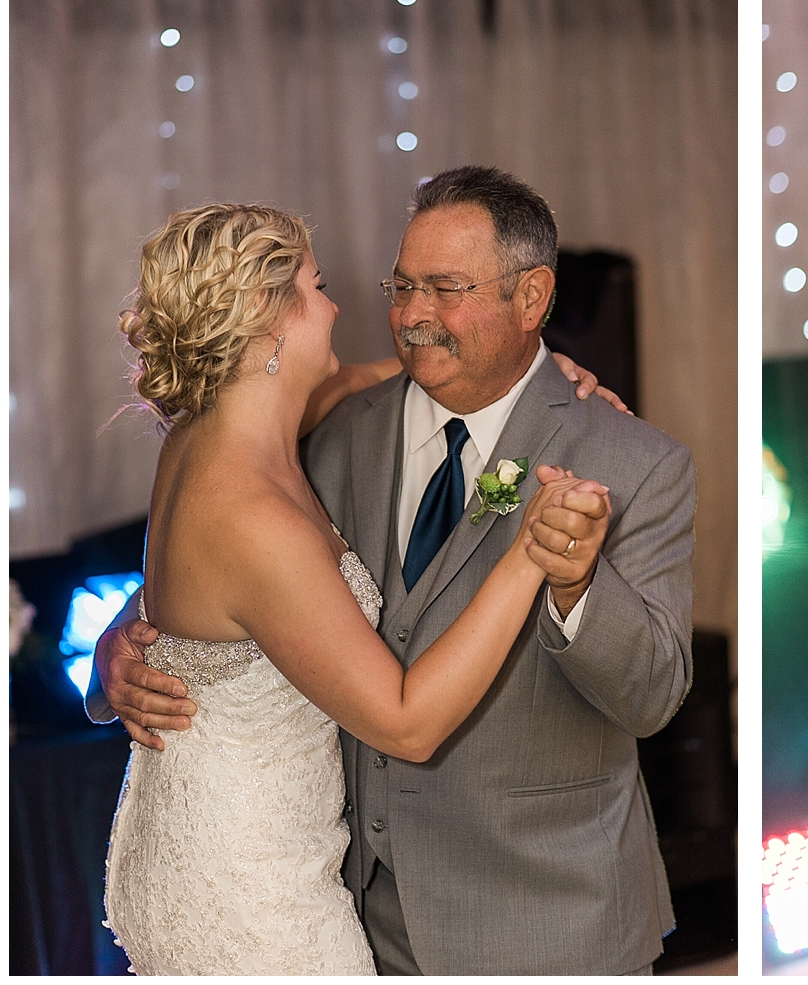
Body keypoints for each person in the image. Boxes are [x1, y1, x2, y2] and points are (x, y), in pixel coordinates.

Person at [96, 168, 696, 975]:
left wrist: (574, 568)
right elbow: (229, 584)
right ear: (265, 326)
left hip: (544, 922)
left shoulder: (632, 460)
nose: (407, 315)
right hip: (308, 904)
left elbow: (655, 695)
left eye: (444, 289)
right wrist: (115, 654)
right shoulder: (318, 447)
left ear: (532, 298)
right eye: (399, 285)